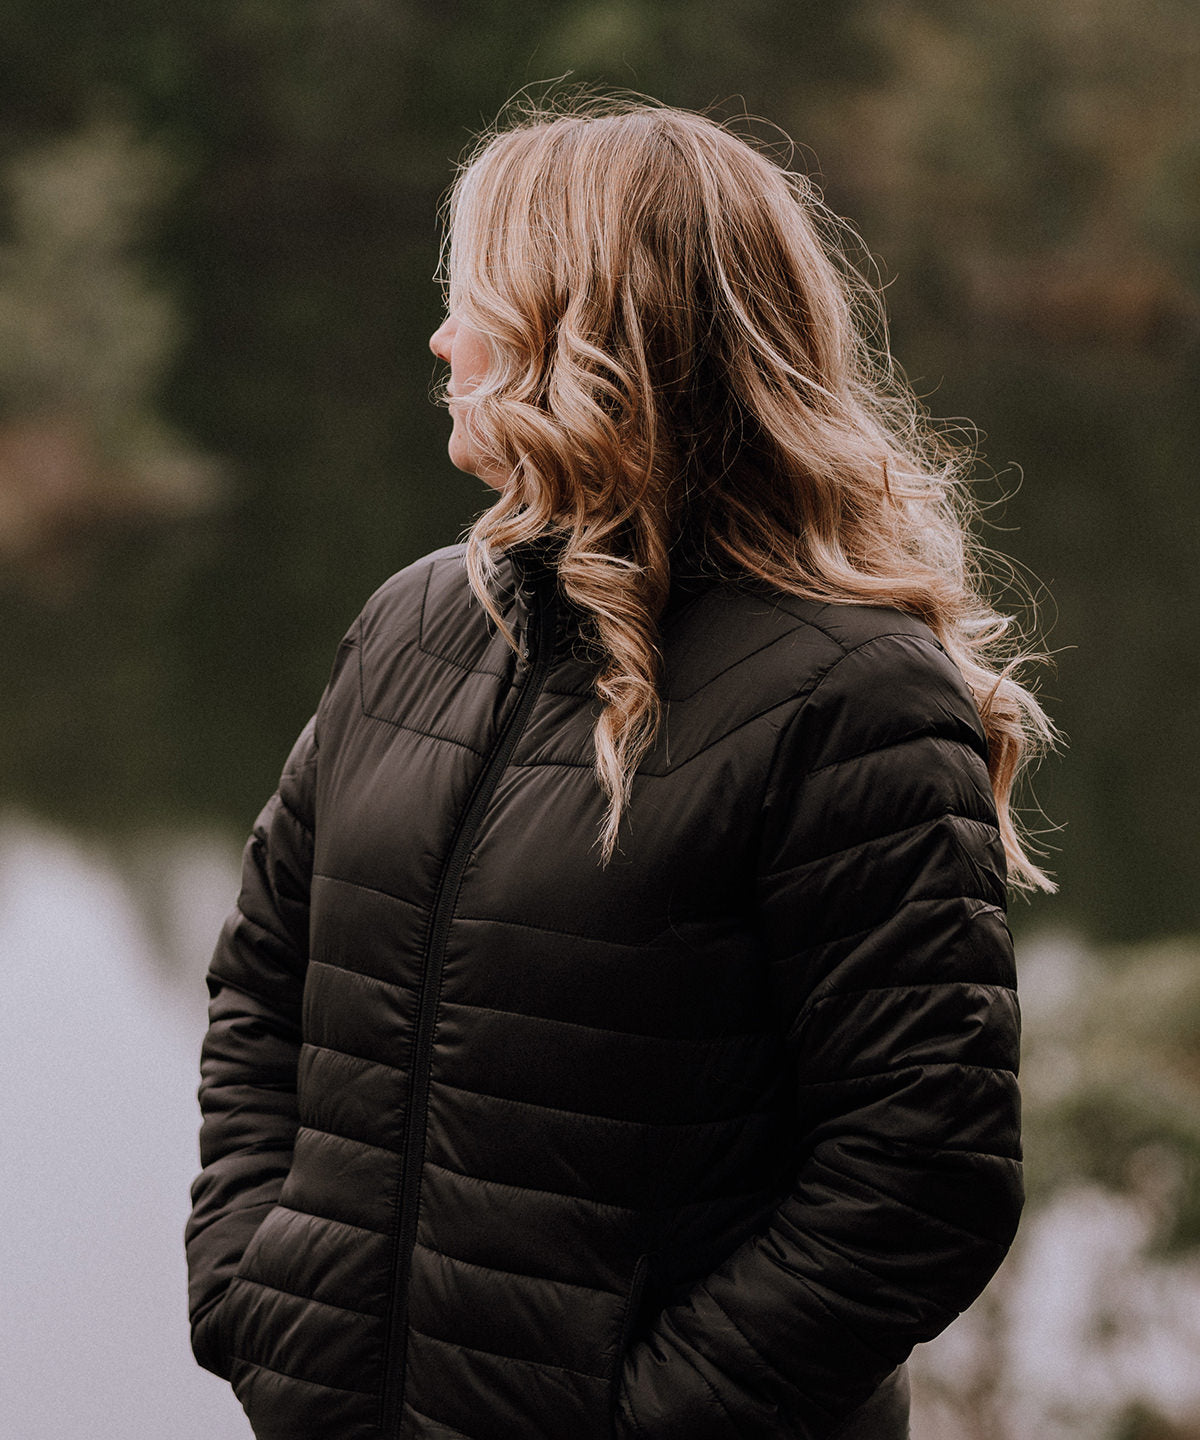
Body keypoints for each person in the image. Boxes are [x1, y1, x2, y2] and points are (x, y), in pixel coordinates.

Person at [185, 95, 1054, 1440]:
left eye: (468, 301)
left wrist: (640, 1423)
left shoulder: (850, 696)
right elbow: (261, 986)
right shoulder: (414, 620)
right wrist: (253, 1300)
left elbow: (921, 1176)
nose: (440, 340)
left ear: (582, 333)